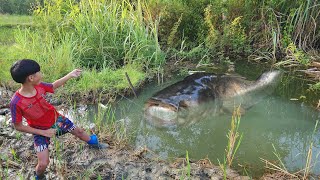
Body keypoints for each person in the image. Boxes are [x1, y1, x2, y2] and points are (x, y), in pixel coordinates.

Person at [9, 59, 108, 180]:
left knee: (80, 132)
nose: (41, 74)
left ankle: (95, 144)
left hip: (57, 120)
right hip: (39, 130)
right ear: (31, 78)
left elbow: (53, 85)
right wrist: (44, 132)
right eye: (39, 72)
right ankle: (39, 177)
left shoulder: (39, 86)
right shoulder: (16, 102)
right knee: (43, 164)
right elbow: (18, 126)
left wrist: (70, 75)